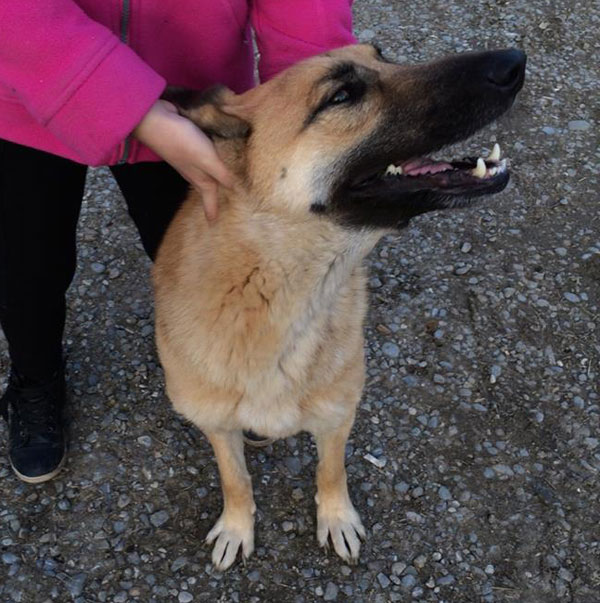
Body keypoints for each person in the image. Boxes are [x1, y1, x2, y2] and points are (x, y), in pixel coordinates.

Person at [0, 1, 355, 483]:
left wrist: (310, 104)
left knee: (219, 267)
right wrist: (121, 100)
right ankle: (34, 376)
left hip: (193, 92)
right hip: (21, 86)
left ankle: (242, 376)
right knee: (24, 266)